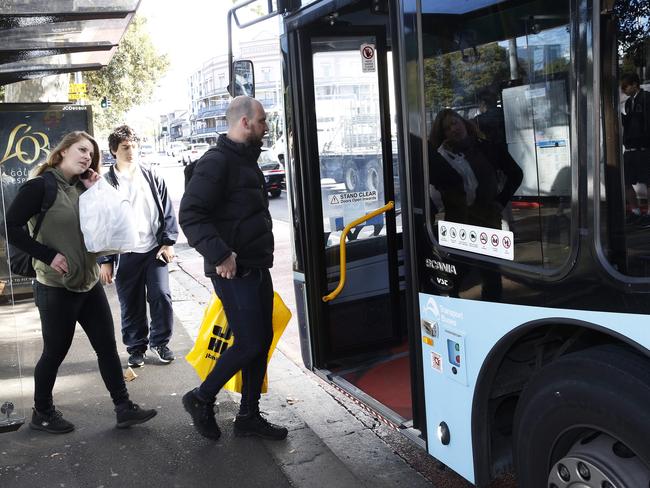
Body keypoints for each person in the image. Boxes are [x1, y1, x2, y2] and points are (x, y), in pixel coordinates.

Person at [5, 131, 157, 433]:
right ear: (62, 152)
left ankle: (123, 407)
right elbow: (8, 225)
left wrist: (98, 193)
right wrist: (47, 255)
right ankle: (42, 412)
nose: (88, 156)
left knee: (107, 347)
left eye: (92, 153)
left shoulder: (85, 187)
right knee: (55, 352)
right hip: (55, 286)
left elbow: (108, 231)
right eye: (82, 150)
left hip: (88, 282)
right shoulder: (40, 186)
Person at [179, 96, 287, 441]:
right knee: (250, 342)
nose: (266, 126)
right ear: (244, 123)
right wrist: (221, 254)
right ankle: (201, 398)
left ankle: (249, 416)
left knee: (261, 339)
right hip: (232, 269)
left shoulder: (245, 160)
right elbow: (191, 215)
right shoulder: (217, 161)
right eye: (262, 120)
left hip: (255, 265)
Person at [98, 125, 178, 368]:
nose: (130, 151)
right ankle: (136, 348)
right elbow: (102, 223)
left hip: (154, 250)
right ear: (114, 150)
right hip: (125, 254)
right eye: (125, 147)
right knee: (130, 304)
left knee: (161, 296)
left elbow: (167, 210)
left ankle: (161, 342)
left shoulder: (151, 175)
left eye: (133, 146)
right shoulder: (106, 182)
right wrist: (105, 260)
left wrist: (168, 242)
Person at [429, 109, 522, 300]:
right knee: (457, 272)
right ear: (443, 135)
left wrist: (500, 201)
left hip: (487, 220)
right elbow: (434, 194)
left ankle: (491, 312)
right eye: (447, 128)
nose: (453, 129)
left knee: (491, 273)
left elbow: (515, 174)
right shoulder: (442, 158)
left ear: (463, 122)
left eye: (455, 123)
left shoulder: (487, 148)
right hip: (459, 224)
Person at [620, 73, 650, 223]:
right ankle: (636, 211)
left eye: (626, 86)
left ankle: (648, 213)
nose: (624, 89)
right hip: (630, 148)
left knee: (648, 181)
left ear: (635, 84)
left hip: (643, 147)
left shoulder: (646, 98)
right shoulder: (628, 103)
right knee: (626, 181)